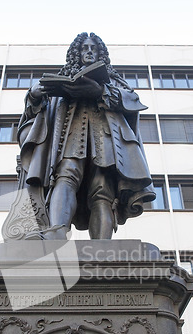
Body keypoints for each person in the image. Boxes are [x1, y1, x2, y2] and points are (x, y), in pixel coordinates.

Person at [18, 32, 155, 239]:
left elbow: (132, 100)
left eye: (94, 48)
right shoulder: (63, 75)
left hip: (106, 139)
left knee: (102, 191)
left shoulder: (113, 80)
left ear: (101, 54)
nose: (89, 51)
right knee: (65, 177)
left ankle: (102, 245)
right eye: (85, 48)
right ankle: (57, 233)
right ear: (77, 53)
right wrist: (35, 95)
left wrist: (100, 91)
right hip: (69, 136)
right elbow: (38, 108)